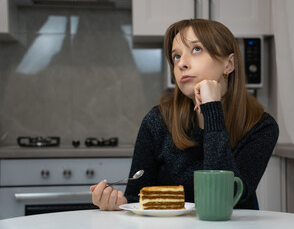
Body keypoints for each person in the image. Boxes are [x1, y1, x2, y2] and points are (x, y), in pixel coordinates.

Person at [90, 19, 279, 211]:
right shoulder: (158, 121)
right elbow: (136, 199)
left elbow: (225, 199)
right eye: (176, 56)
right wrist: (117, 204)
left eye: (196, 49)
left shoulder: (261, 127)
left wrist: (212, 110)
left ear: (229, 64)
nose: (182, 64)